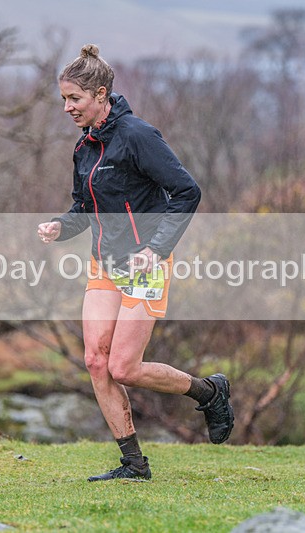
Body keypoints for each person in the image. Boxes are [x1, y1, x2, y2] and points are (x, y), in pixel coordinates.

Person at [37, 44, 234, 481]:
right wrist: (59, 226)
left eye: (75, 99)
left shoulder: (139, 136)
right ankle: (134, 464)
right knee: (95, 360)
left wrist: (156, 248)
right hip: (103, 266)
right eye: (64, 100)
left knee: (124, 367)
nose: (67, 108)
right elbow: (83, 209)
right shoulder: (84, 147)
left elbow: (187, 192)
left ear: (101, 94)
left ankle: (209, 391)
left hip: (146, 266)